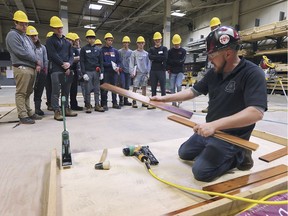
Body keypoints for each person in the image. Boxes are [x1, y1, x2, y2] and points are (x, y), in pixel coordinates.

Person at [150, 26, 267, 182]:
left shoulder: (252, 73)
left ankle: (239, 156)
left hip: (232, 136)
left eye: (212, 54)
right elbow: (193, 91)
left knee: (201, 172)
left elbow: (256, 113)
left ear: (228, 53)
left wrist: (214, 125)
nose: (209, 59)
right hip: (211, 131)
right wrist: (164, 98)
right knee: (184, 153)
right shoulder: (215, 72)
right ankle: (214, 151)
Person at [5, 10, 42, 124]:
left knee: (28, 92)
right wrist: (36, 60)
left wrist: (36, 62)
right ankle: (22, 115)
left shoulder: (25, 36)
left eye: (26, 24)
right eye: (22, 23)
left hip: (30, 68)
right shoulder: (13, 35)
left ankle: (28, 111)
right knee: (21, 92)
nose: (24, 26)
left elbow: (33, 50)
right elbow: (21, 52)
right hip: (22, 67)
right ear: (15, 23)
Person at [46, 16, 77, 121]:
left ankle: (66, 109)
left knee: (66, 91)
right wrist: (62, 63)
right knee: (55, 92)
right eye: (56, 28)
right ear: (52, 28)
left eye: (60, 27)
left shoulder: (67, 43)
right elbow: (52, 55)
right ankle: (56, 111)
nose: (59, 30)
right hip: (56, 70)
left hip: (66, 70)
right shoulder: (50, 41)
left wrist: (69, 63)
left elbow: (71, 56)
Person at [80, 29, 104, 113]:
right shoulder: (83, 49)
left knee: (97, 89)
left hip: (96, 72)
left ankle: (97, 105)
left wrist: (102, 73)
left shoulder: (98, 49)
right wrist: (84, 73)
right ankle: (88, 105)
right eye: (89, 38)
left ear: (95, 39)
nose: (91, 39)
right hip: (88, 72)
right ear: (87, 39)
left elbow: (101, 62)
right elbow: (82, 62)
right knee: (88, 90)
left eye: (93, 38)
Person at [26, 25, 48, 116]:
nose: (34, 37)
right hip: (30, 71)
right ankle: (26, 109)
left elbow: (45, 59)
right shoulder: (27, 48)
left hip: (41, 73)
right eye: (32, 36)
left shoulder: (42, 47)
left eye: (35, 35)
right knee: (27, 91)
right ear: (27, 37)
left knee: (39, 91)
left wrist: (45, 70)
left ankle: (37, 109)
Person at [202, 17, 222, 113]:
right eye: (212, 27)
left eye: (215, 27)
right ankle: (211, 106)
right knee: (212, 86)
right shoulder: (209, 37)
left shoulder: (223, 37)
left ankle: (220, 106)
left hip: (222, 66)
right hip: (212, 65)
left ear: (219, 25)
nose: (214, 29)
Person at [101, 32, 121, 110]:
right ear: (105, 40)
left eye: (111, 40)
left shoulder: (115, 51)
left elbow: (119, 61)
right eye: (108, 40)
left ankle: (115, 103)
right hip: (106, 72)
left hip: (114, 73)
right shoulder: (102, 50)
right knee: (105, 89)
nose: (110, 42)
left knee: (114, 88)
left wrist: (118, 67)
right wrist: (110, 65)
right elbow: (101, 62)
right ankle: (104, 104)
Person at [129, 36, 151, 108]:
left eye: (142, 43)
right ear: (137, 44)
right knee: (135, 87)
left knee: (144, 87)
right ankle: (134, 101)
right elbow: (131, 63)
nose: (141, 44)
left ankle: (143, 101)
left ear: (144, 44)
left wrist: (148, 73)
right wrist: (132, 72)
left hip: (144, 73)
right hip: (137, 73)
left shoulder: (146, 54)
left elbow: (148, 64)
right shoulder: (134, 53)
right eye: (139, 43)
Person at [148, 31, 168, 109]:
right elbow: (150, 57)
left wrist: (155, 57)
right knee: (153, 87)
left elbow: (165, 57)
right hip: (153, 71)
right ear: (154, 40)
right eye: (156, 40)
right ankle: (153, 104)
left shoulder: (164, 48)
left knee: (163, 87)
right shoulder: (151, 49)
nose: (157, 41)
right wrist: (159, 57)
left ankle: (164, 104)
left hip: (161, 70)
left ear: (161, 40)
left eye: (158, 40)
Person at [167, 34, 186, 107]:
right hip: (172, 71)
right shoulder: (170, 51)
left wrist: (174, 62)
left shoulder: (183, 51)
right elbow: (168, 61)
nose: (176, 45)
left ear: (180, 42)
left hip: (180, 71)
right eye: (175, 43)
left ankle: (179, 99)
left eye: (177, 43)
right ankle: (173, 101)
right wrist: (170, 67)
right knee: (171, 87)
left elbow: (182, 61)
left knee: (178, 85)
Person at [118, 36, 133, 106]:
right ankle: (121, 100)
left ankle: (126, 100)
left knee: (127, 86)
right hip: (122, 71)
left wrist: (132, 71)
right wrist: (118, 67)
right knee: (122, 85)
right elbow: (117, 61)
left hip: (128, 71)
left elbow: (132, 62)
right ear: (122, 43)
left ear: (129, 43)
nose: (125, 44)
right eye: (124, 42)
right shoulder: (119, 52)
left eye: (127, 42)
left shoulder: (131, 52)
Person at [45, 32, 54, 111]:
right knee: (49, 88)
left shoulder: (55, 48)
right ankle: (50, 103)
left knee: (55, 88)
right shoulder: (44, 48)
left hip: (54, 70)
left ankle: (54, 103)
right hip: (46, 71)